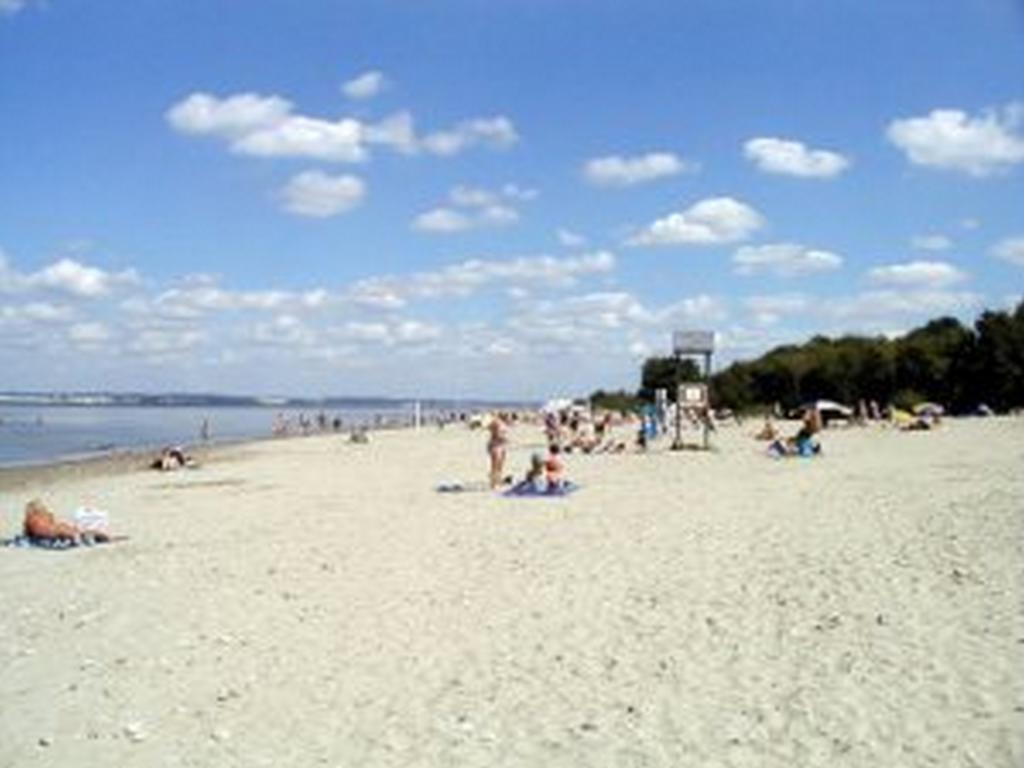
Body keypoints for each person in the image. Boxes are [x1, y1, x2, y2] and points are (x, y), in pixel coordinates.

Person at [23, 499, 110, 544]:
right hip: (57, 532)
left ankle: (95, 535)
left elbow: (27, 533)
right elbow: (54, 523)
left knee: (75, 532)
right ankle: (98, 535)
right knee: (75, 532)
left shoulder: (29, 522)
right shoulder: (46, 520)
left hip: (52, 534)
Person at [487, 413, 510, 489]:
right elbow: (496, 434)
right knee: (495, 465)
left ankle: (498, 481)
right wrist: (503, 438)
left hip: (502, 445)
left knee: (500, 465)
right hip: (496, 445)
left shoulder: (503, 423)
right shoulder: (496, 423)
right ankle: (493, 483)